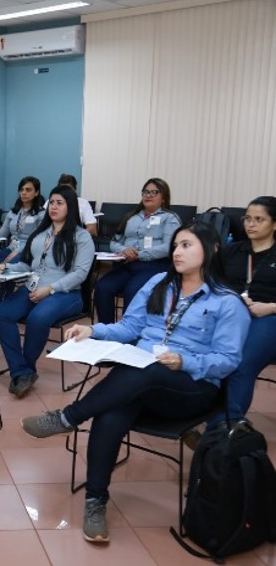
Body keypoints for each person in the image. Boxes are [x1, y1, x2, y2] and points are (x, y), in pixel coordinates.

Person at [20, 221, 249, 544]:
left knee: (148, 370)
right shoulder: (159, 283)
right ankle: (95, 501)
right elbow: (129, 327)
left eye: (186, 245)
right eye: (175, 246)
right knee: (113, 410)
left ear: (211, 250)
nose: (177, 252)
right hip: (141, 381)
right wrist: (93, 331)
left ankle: (68, 417)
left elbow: (228, 360)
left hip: (191, 388)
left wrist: (185, 360)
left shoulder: (226, 302)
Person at [0, 185, 94, 398]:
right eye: (52, 203)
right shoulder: (40, 235)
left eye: (59, 203)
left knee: (37, 319)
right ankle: (22, 372)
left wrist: (50, 289)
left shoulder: (82, 237)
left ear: (71, 207)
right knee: (2, 313)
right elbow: (27, 266)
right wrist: (6, 267)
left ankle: (24, 370)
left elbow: (80, 274)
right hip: (33, 288)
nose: (53, 207)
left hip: (67, 294)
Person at [205, 196, 276, 429]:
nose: (250, 224)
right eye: (247, 218)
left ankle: (223, 429)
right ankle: (198, 412)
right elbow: (211, 283)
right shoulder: (232, 251)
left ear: (274, 224)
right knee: (202, 350)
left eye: (259, 219)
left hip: (268, 316)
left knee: (240, 363)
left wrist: (271, 307)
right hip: (231, 313)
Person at [93, 178, 181, 324]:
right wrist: (125, 250)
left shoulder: (169, 218)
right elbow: (114, 242)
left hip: (154, 266)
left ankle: (129, 337)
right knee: (103, 288)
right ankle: (107, 332)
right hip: (127, 264)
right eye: (146, 192)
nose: (148, 195)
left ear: (163, 198)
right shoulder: (131, 216)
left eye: (154, 192)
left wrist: (139, 255)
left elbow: (169, 247)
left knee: (132, 291)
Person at [0, 176, 45, 269]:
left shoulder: (41, 214)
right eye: (21, 190)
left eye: (28, 190)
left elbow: (39, 241)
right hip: (12, 248)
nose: (23, 193)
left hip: (29, 251)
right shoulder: (13, 212)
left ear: (36, 193)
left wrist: (18, 251)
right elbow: (1, 235)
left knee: (7, 269)